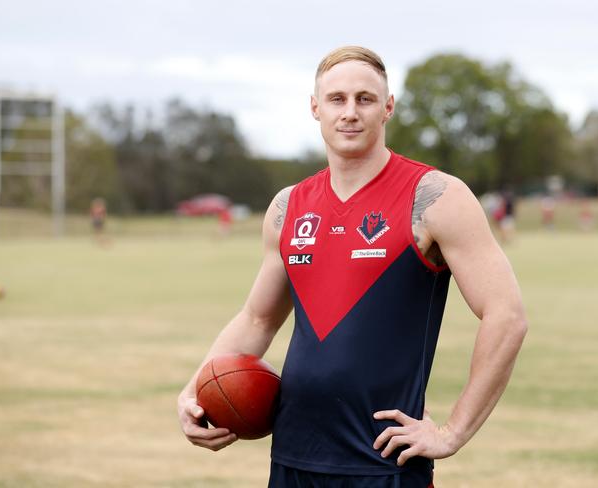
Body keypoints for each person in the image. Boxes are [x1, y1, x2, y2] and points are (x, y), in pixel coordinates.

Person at [177, 46, 528, 487]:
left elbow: (506, 315)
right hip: (293, 456)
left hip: (384, 461)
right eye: (337, 99)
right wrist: (195, 389)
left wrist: (453, 431)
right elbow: (258, 318)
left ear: (388, 108)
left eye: (364, 99)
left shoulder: (436, 197)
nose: (350, 112)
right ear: (315, 108)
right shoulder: (288, 207)